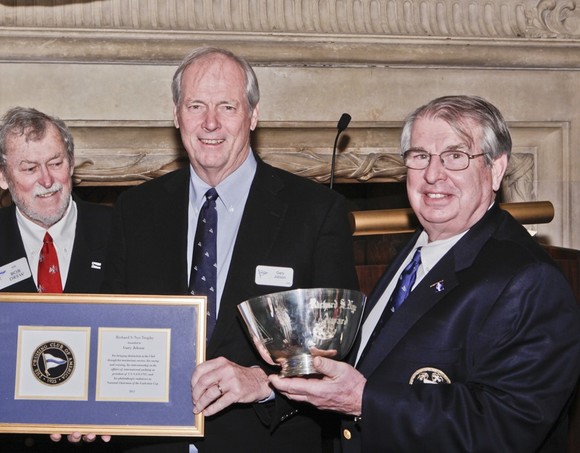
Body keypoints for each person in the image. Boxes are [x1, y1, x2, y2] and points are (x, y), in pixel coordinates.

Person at [269, 95, 580, 452]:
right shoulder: (415, 250)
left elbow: (505, 426)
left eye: (455, 156)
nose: (433, 174)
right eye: (420, 156)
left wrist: (363, 400)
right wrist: (267, 386)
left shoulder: (529, 281)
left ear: (495, 169)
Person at [99, 46, 359, 452]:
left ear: (253, 115)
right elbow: (108, 326)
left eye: (227, 107)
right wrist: (81, 405)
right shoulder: (135, 209)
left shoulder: (316, 212)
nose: (210, 123)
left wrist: (263, 382)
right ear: (176, 115)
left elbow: (337, 357)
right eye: (196, 105)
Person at [0, 107, 113, 453]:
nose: (47, 181)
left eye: (56, 163)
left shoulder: (122, 232)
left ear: (72, 164)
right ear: (0, 174)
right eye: (29, 168)